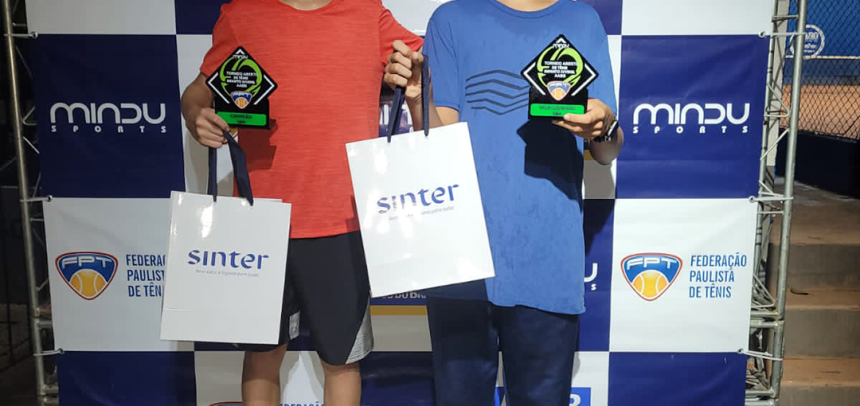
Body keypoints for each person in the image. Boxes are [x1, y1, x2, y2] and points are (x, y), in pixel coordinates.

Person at [181, 1, 422, 405]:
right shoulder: (241, 15)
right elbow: (197, 91)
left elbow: (423, 65)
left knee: (341, 361)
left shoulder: (367, 13)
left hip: (341, 220)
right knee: (262, 355)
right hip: (259, 221)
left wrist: (412, 68)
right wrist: (196, 113)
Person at [383, 0, 624, 404]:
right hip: (459, 257)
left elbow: (607, 151)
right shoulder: (451, 19)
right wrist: (417, 99)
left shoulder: (581, 20)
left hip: (548, 260)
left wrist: (604, 125)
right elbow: (440, 141)